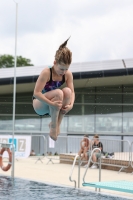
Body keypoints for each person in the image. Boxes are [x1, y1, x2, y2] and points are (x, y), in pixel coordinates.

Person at [32, 37, 75, 141]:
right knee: (59, 93)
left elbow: (72, 92)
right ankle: (54, 127)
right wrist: (52, 104)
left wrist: (71, 105)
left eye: (66, 69)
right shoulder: (47, 72)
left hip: (54, 106)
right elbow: (36, 93)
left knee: (67, 91)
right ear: (54, 63)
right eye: (61, 69)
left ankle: (57, 123)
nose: (63, 72)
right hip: (40, 105)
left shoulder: (67, 74)